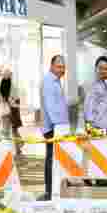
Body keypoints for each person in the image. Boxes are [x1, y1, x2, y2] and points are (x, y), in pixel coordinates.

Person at [40, 55, 69, 200]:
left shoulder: (56, 81)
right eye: (59, 66)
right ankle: (49, 193)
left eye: (63, 67)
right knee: (51, 161)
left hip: (57, 128)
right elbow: (51, 108)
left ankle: (52, 191)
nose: (61, 69)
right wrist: (59, 128)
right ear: (51, 66)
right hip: (53, 129)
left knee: (53, 160)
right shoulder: (49, 81)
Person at [84, 56, 107, 134]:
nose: (103, 71)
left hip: (106, 127)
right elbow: (88, 110)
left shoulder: (104, 83)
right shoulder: (92, 86)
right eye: (100, 68)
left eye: (106, 69)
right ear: (95, 68)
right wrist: (90, 130)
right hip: (97, 129)